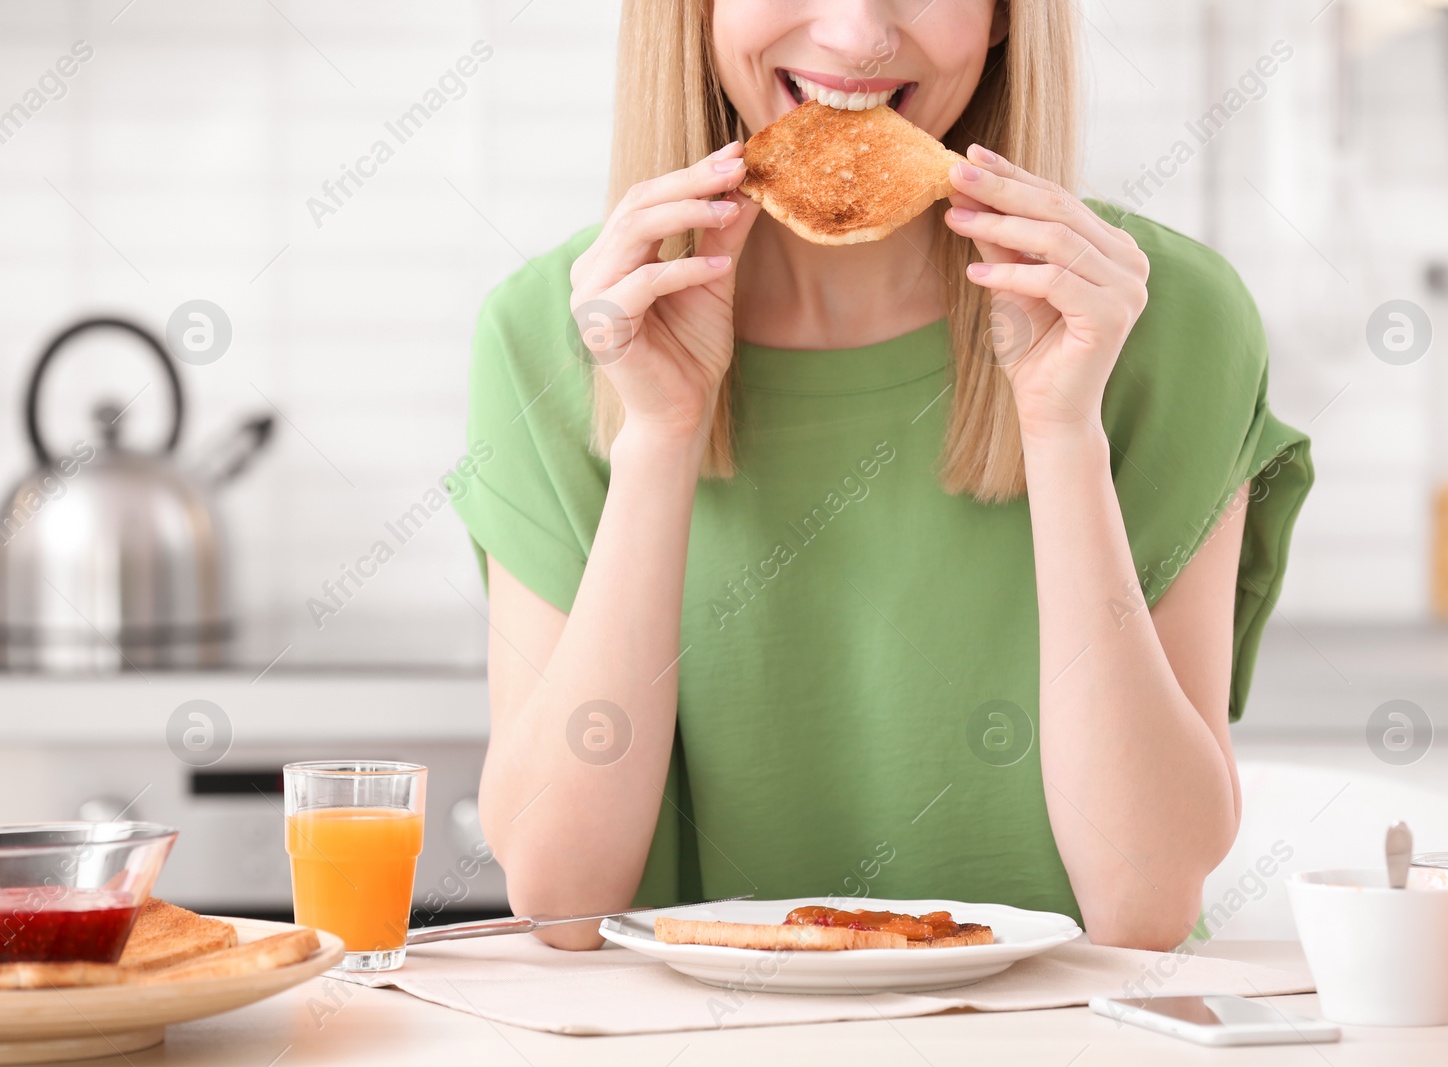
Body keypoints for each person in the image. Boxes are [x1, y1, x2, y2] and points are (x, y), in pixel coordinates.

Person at [453, 0, 1313, 950]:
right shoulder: (558, 331)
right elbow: (562, 899)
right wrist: (660, 433)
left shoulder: (1162, 321)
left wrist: (1062, 426)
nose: (859, 34)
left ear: (1002, 18)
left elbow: (1143, 904)